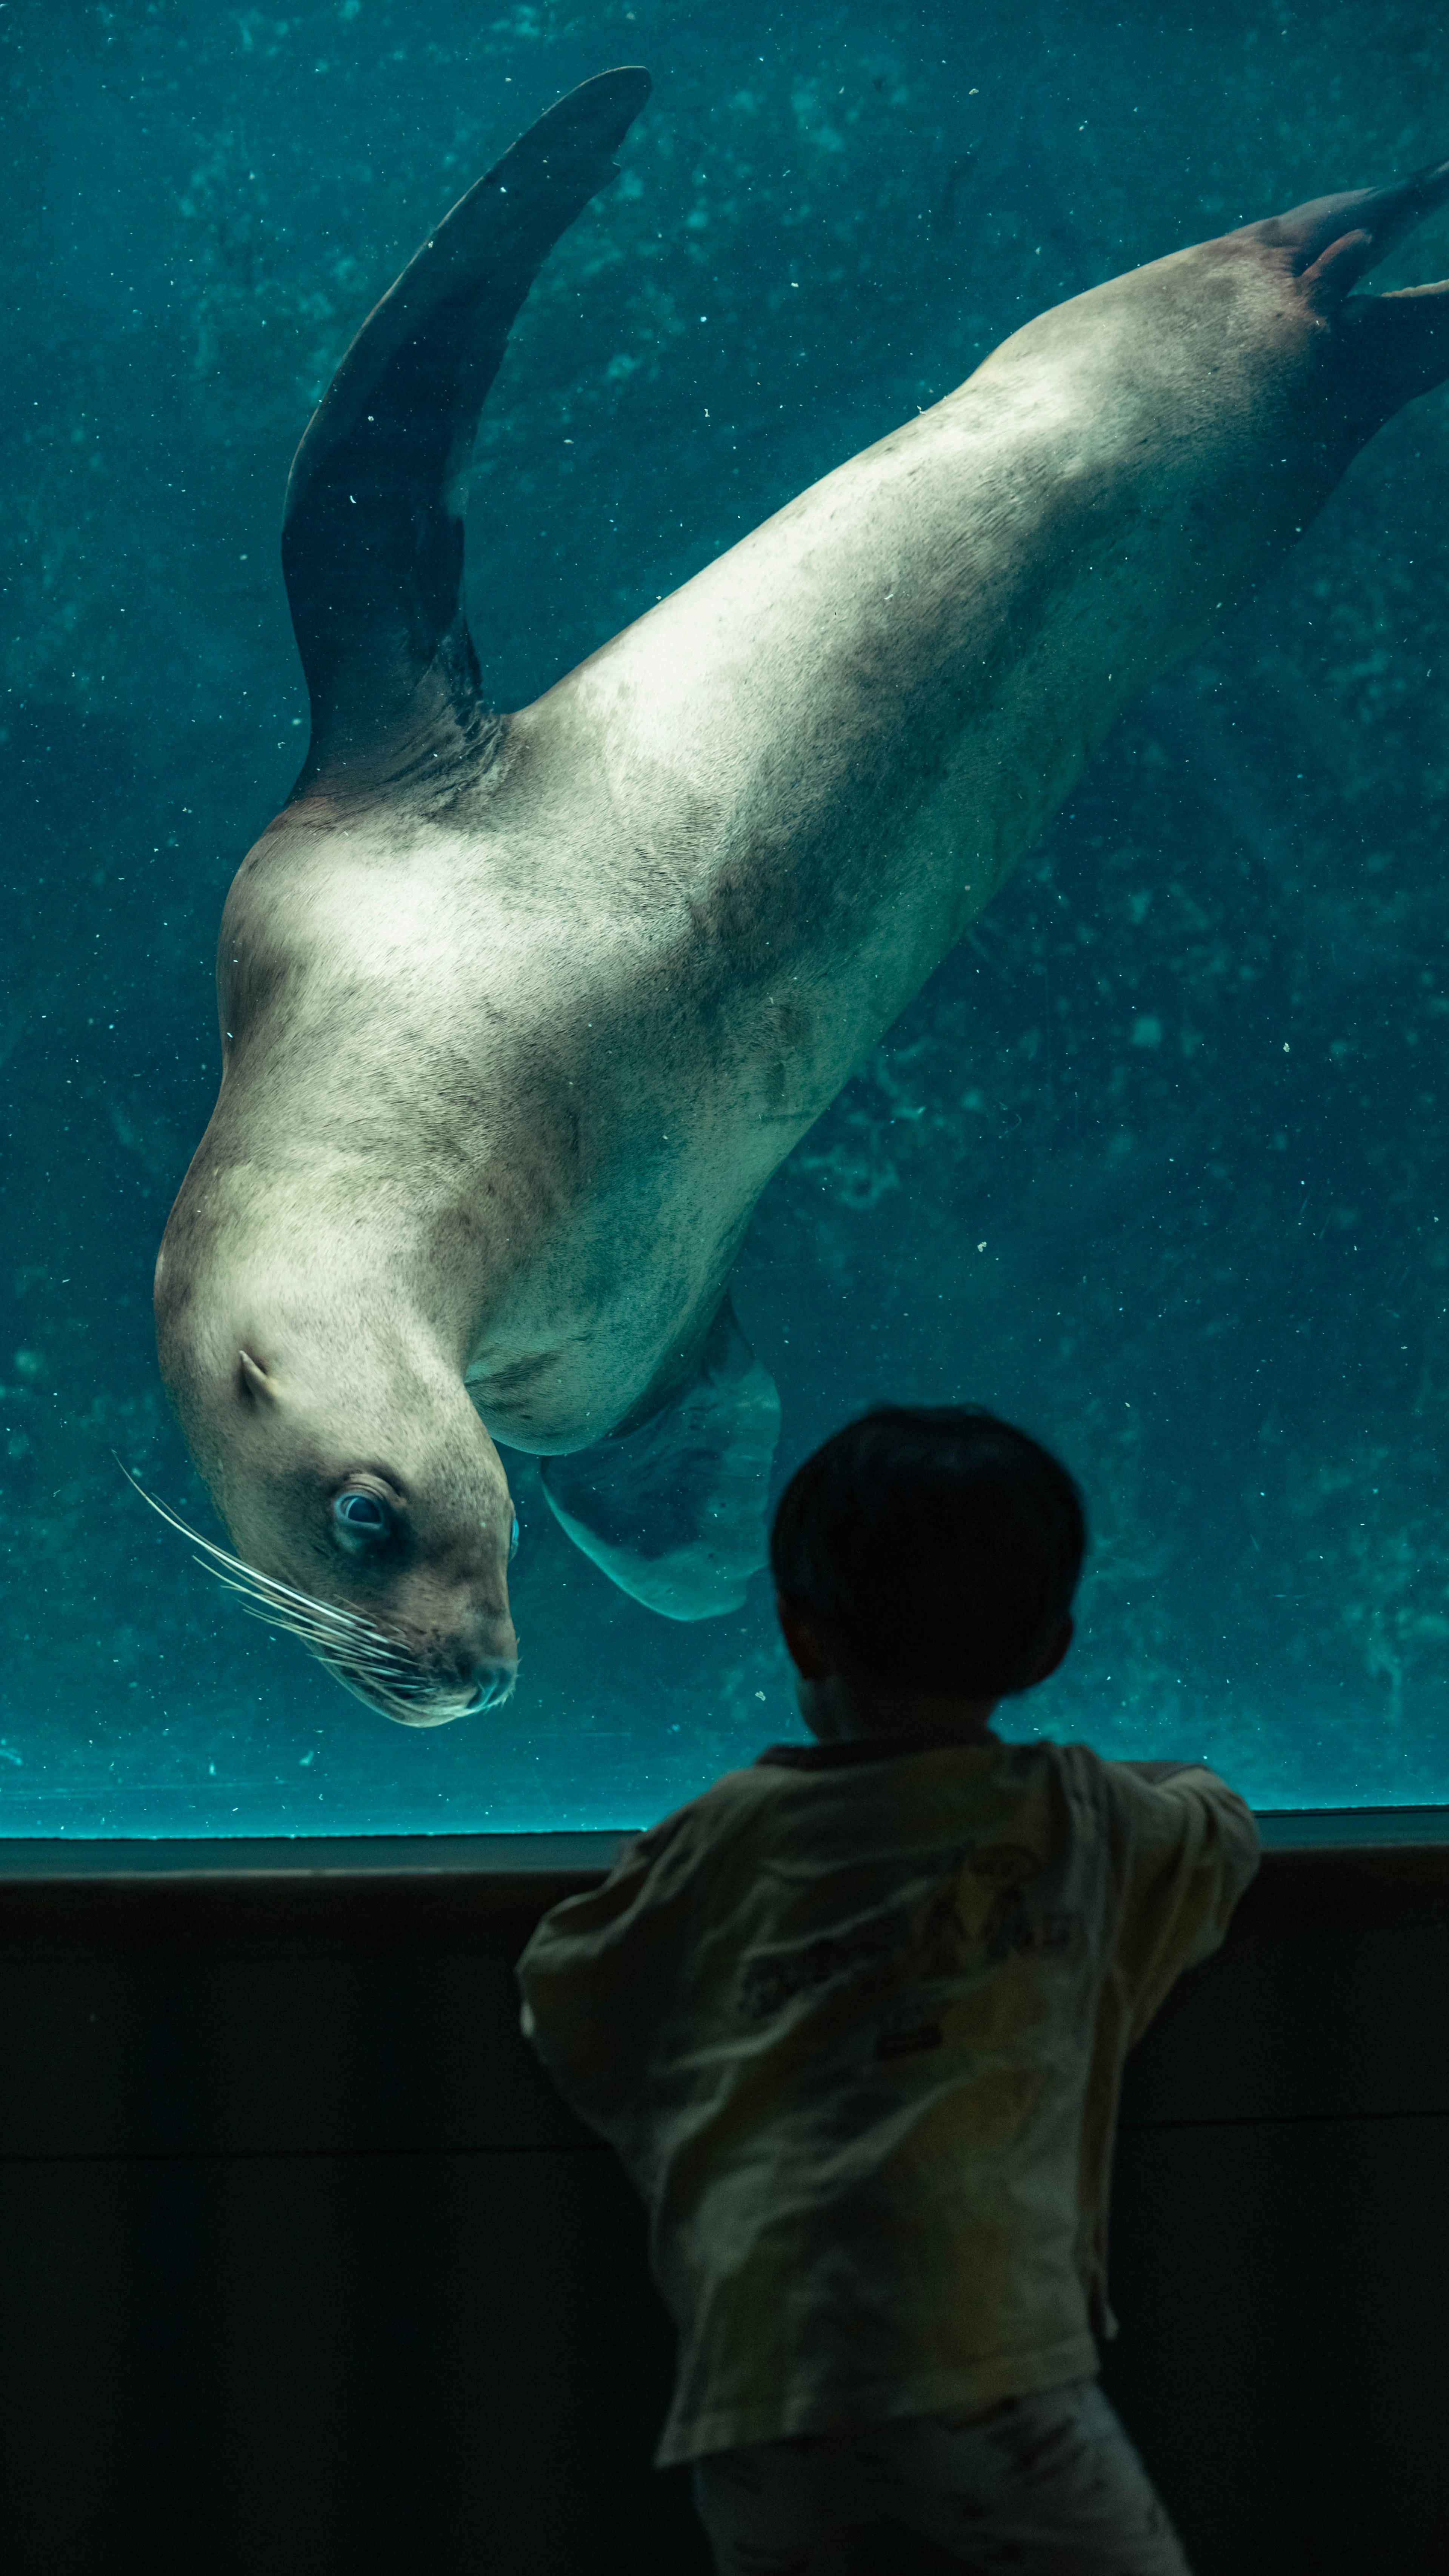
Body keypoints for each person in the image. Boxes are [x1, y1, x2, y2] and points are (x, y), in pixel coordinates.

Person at [517, 1406, 1260, 2575]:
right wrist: (1159, 1774)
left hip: (770, 2390)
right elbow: (1217, 1825)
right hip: (997, 2369)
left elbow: (567, 1987)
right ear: (1051, 1648)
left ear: (799, 1634)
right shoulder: (1080, 1815)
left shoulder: (725, 1836)